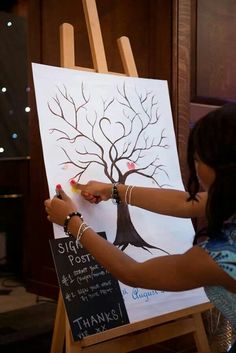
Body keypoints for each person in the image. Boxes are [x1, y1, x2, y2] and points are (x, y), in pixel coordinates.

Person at [44, 103, 236, 352]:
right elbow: (186, 204)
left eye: (198, 159)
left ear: (220, 167)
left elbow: (133, 273)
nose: (195, 167)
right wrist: (114, 190)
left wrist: (72, 222)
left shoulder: (221, 257)